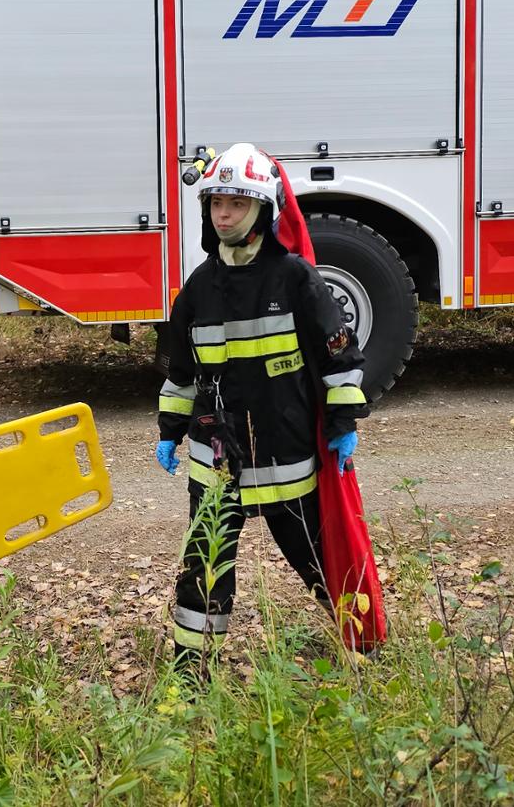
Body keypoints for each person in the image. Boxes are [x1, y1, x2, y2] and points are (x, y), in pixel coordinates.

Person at [155, 142, 368, 670]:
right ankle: (191, 673)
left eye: (237, 203)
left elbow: (339, 357)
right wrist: (170, 429)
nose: (223, 214)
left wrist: (343, 421)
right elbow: (181, 373)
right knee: (204, 568)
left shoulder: (295, 278)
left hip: (285, 454)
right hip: (216, 460)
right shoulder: (198, 289)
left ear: (263, 210)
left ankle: (361, 643)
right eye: (216, 203)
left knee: (318, 559)